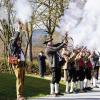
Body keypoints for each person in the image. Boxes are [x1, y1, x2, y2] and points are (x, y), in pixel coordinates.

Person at [9, 32, 25, 100]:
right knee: (19, 80)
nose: (19, 41)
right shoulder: (13, 46)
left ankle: (21, 95)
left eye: (19, 40)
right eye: (17, 40)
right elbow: (14, 40)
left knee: (22, 80)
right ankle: (18, 96)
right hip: (17, 65)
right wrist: (18, 30)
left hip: (22, 65)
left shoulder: (19, 48)